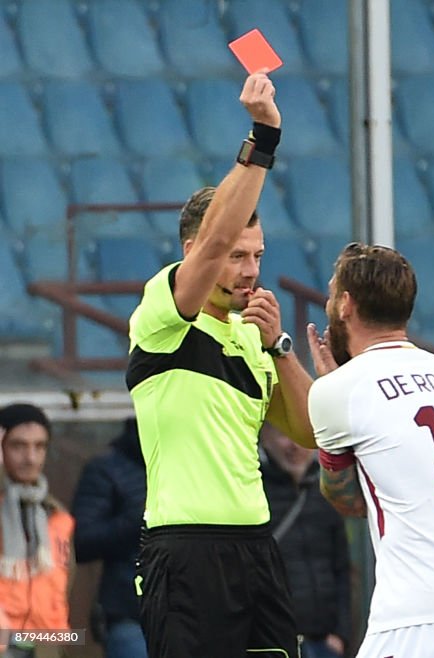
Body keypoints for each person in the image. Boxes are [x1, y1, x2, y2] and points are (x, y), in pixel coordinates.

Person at [127, 71, 316, 658]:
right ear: (196, 254)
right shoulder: (161, 322)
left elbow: (312, 434)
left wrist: (280, 348)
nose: (250, 270)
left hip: (256, 549)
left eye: (257, 256)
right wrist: (262, 139)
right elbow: (212, 244)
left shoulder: (250, 337)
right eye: (237, 255)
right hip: (184, 552)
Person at [309, 242, 434, 657]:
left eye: (333, 293)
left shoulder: (338, 389)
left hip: (414, 616)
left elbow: (347, 499)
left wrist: (331, 389)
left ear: (345, 305)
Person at [260, 424, 352, 658]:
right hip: (278, 644)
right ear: (264, 438)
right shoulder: (254, 492)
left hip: (325, 643)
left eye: (302, 436)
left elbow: (342, 568)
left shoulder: (326, 489)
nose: (295, 446)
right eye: (284, 434)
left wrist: (341, 633)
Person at [0, 404, 74, 658]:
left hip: (45, 646)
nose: (30, 457)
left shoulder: (57, 516)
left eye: (39, 446)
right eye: (18, 445)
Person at [71, 418, 147, 658]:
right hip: (131, 615)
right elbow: (82, 543)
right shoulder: (107, 469)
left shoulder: (191, 466)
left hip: (196, 615)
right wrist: (139, 519)